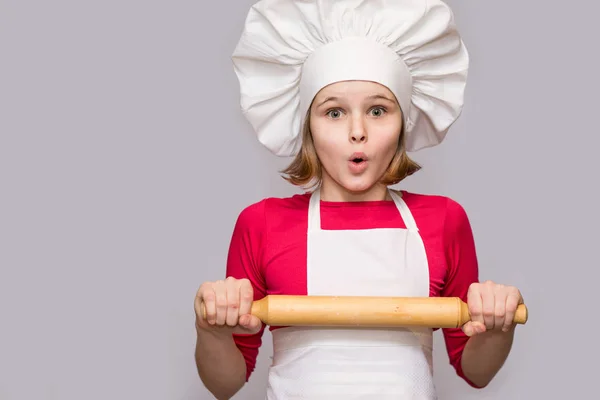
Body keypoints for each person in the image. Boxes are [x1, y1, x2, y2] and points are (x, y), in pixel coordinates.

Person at [194, 0, 524, 398]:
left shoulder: (442, 220)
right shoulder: (262, 224)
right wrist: (211, 331)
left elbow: (476, 370)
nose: (357, 132)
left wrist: (496, 326)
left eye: (378, 110)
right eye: (333, 113)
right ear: (308, 127)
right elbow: (225, 384)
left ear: (404, 122)